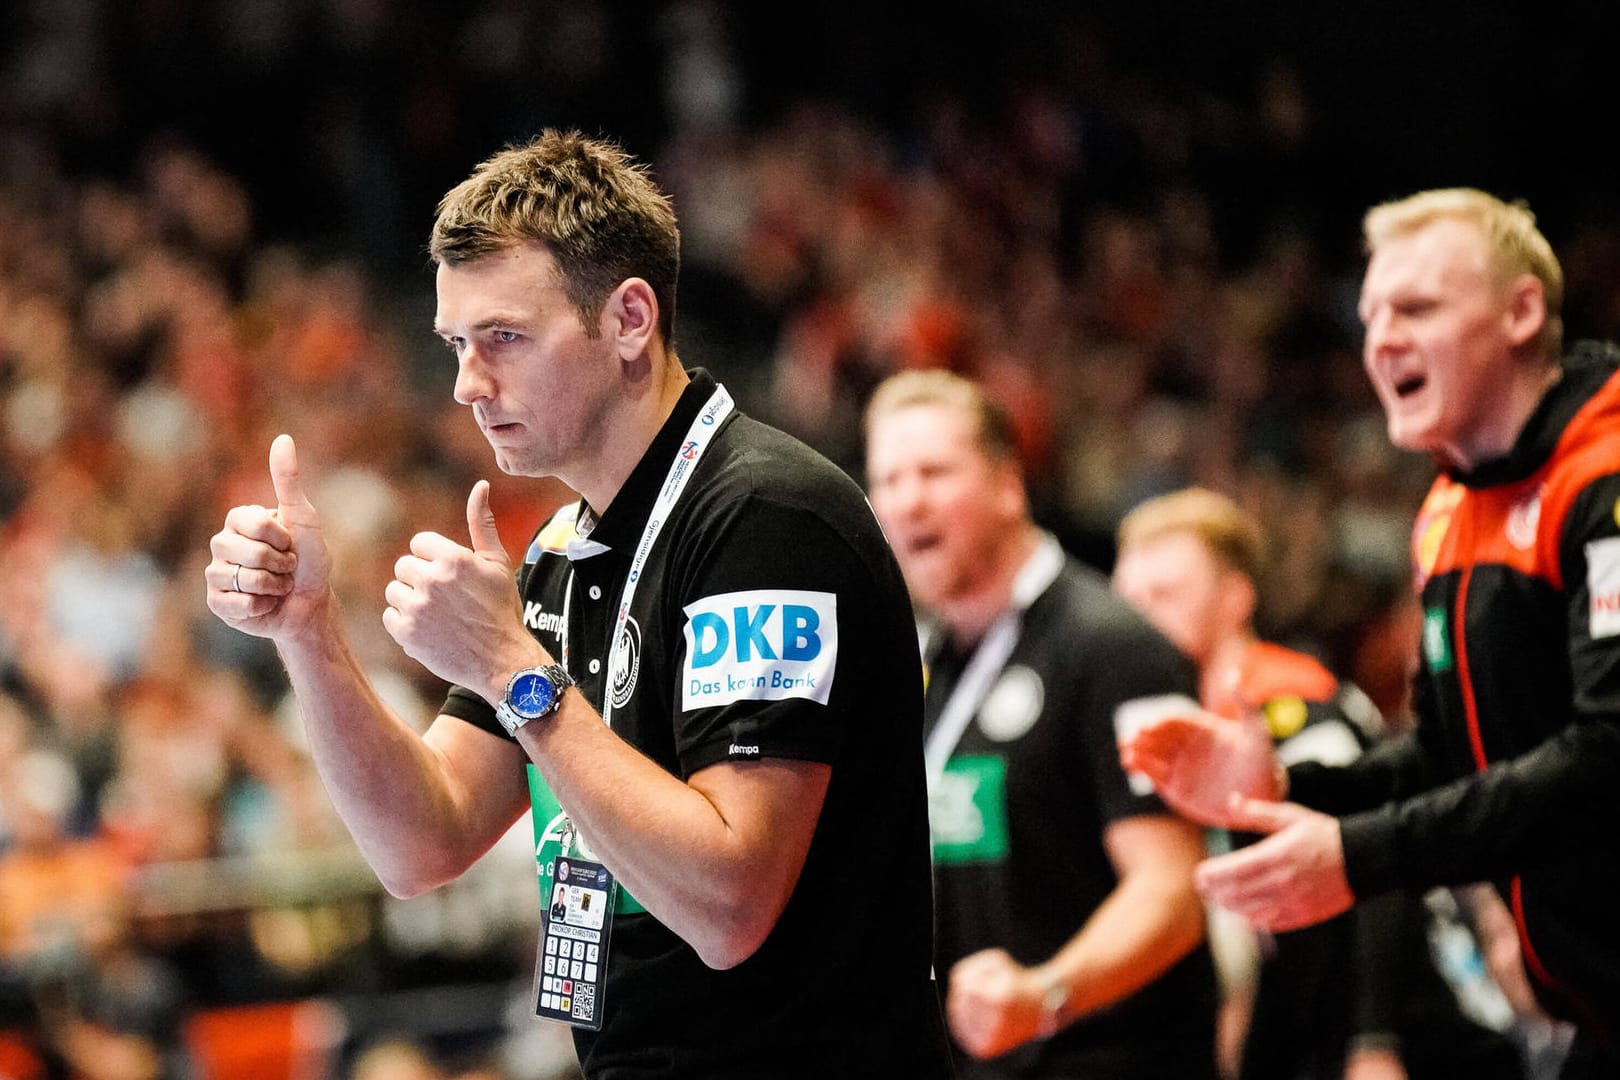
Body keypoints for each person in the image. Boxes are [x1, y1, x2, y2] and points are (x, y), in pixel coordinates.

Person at [206, 129, 951, 1078]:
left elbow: (729, 905)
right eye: (456, 345)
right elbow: (419, 842)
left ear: (630, 318)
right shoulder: (563, 552)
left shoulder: (765, 516)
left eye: (504, 339)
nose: (468, 385)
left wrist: (514, 667)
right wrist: (308, 634)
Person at [1120, 187, 1620, 1077]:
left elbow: (1608, 756)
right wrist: (1288, 784)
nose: (1380, 338)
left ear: (1522, 311)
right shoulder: (1446, 511)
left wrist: (1356, 856)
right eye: (1371, 312)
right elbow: (1447, 751)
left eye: (1417, 307)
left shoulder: (1605, 478)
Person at [864, 369, 1219, 1079]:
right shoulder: (924, 662)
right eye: (889, 479)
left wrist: (1046, 993)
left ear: (1007, 485)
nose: (909, 501)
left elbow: (1172, 891)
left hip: (1109, 1059)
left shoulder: (1113, 646)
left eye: (934, 471)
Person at [1113, 486, 1528, 1080]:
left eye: (1166, 594)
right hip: (1310, 1020)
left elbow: (1375, 879)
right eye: (1131, 600)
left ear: (1235, 598)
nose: (1143, 618)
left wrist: (1373, 1043)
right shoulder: (1184, 718)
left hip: (1416, 1027)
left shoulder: (1291, 702)